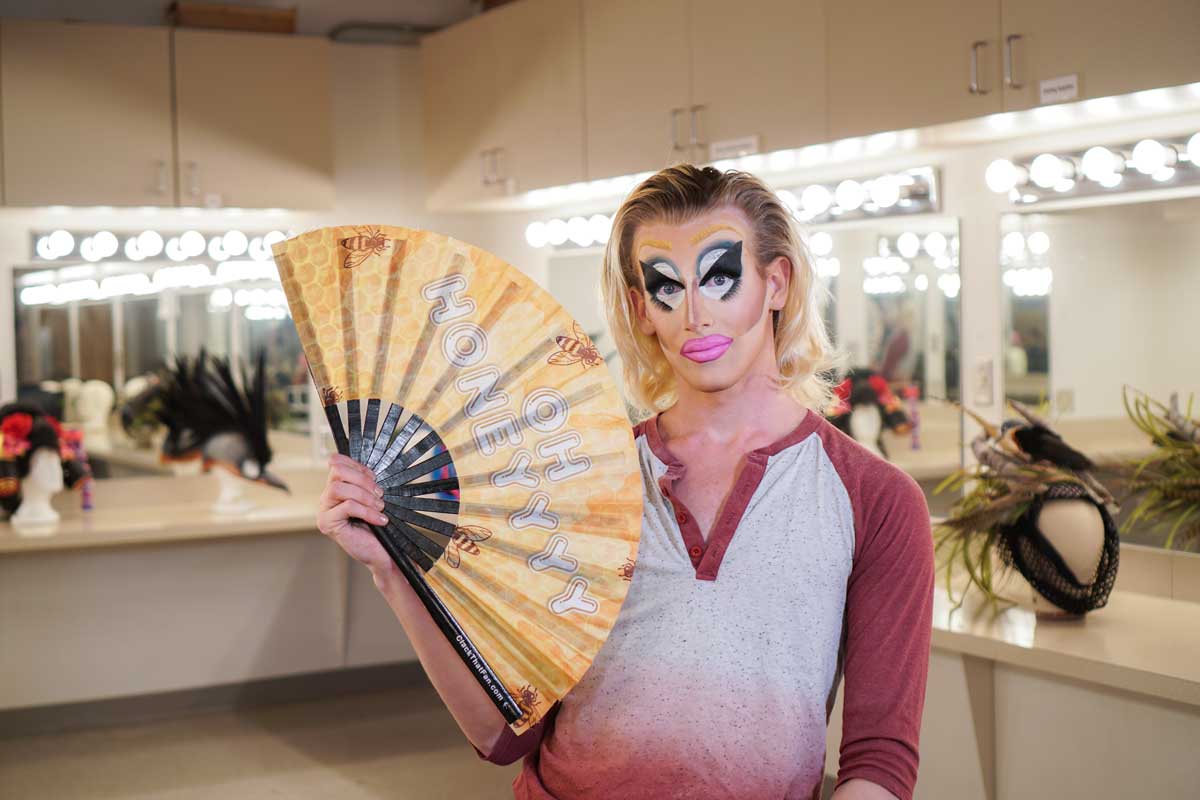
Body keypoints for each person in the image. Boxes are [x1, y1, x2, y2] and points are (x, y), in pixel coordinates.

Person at [317, 165, 934, 800]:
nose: (694, 313)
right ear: (641, 308)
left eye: (721, 278)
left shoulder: (877, 500)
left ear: (775, 283)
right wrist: (391, 572)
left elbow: (879, 762)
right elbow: (504, 736)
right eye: (665, 286)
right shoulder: (579, 482)